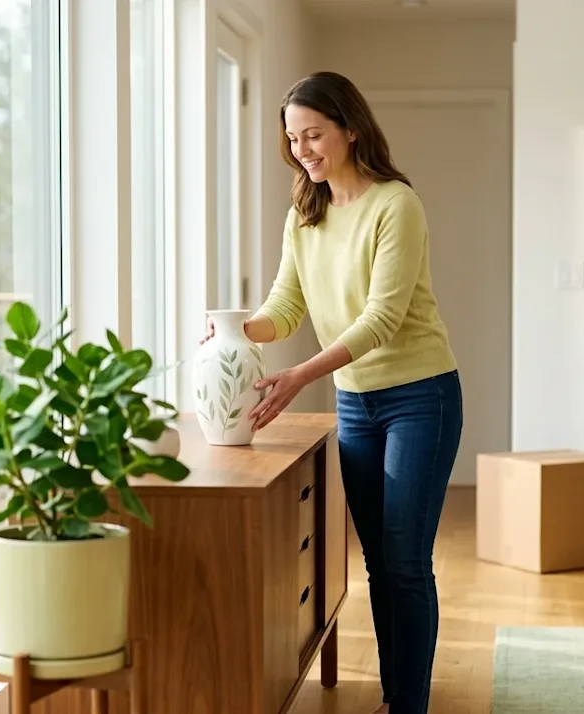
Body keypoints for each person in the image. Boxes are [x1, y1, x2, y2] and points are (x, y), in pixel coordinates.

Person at [201, 71, 462, 714]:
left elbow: (383, 319)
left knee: (406, 563)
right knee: (377, 563)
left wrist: (297, 378)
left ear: (350, 128)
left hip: (418, 397)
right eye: (293, 139)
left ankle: (411, 706)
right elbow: (285, 308)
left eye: (313, 134)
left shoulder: (395, 205)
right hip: (356, 403)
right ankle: (397, 699)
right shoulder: (305, 215)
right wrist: (236, 329)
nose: (303, 150)